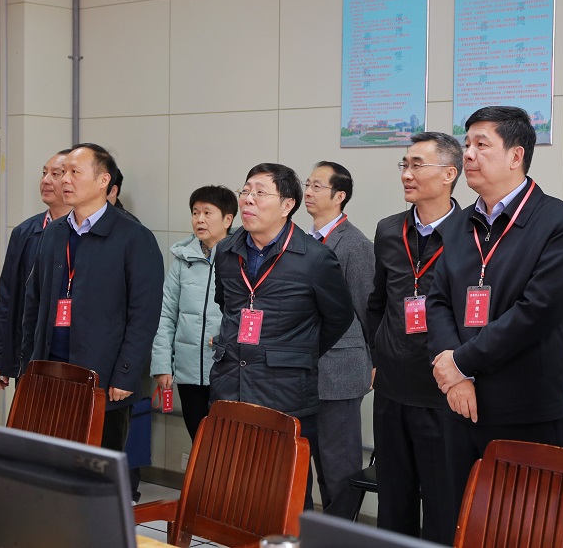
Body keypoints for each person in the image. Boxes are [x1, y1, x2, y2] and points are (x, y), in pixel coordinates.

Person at [426, 106, 563, 520]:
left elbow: (537, 312)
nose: (468, 154)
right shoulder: (459, 224)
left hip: (524, 408)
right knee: (460, 522)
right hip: (459, 403)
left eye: (482, 145)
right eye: (466, 144)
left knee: (525, 525)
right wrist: (455, 376)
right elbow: (438, 300)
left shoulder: (557, 222)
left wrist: (462, 363)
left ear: (516, 155)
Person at [210, 162, 354, 509]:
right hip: (231, 383)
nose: (248, 200)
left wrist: (297, 352)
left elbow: (339, 317)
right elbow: (226, 304)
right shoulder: (226, 251)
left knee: (286, 492)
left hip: (286, 390)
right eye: (246, 191)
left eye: (260, 193)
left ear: (287, 204)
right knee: (233, 487)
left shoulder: (315, 258)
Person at [22, 143, 165, 453]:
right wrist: (27, 366)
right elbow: (32, 304)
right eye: (63, 173)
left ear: (103, 180)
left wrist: (126, 374)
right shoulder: (53, 233)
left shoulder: (133, 236)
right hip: (50, 374)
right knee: (49, 462)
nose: (64, 180)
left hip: (103, 379)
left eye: (75, 172)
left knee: (95, 469)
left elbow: (144, 315)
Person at [366, 132, 463, 544]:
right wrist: (377, 356)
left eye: (417, 165)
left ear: (449, 174)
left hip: (441, 391)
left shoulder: (471, 233)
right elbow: (376, 303)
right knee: (393, 501)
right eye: (404, 165)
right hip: (391, 389)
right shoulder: (389, 230)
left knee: (444, 503)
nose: (406, 174)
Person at [303, 161, 374, 518]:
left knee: (338, 464)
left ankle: (340, 533)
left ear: (339, 196)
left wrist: (375, 361)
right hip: (303, 370)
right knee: (304, 460)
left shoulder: (355, 244)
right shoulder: (301, 241)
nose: (308, 191)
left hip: (341, 371)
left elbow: (369, 309)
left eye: (317, 186)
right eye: (307, 184)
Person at [151, 186, 237, 441]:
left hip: (227, 371)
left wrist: (227, 339)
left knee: (226, 443)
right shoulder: (183, 258)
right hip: (188, 372)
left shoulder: (240, 258)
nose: (199, 219)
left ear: (228, 219)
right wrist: (162, 365)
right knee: (199, 440)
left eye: (207, 213)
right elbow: (166, 314)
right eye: (195, 212)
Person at [0, 149, 72, 388]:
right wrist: (1, 358)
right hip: (31, 354)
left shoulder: (85, 233)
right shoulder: (25, 232)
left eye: (55, 174)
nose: (45, 180)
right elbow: (8, 298)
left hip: (72, 354)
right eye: (44, 173)